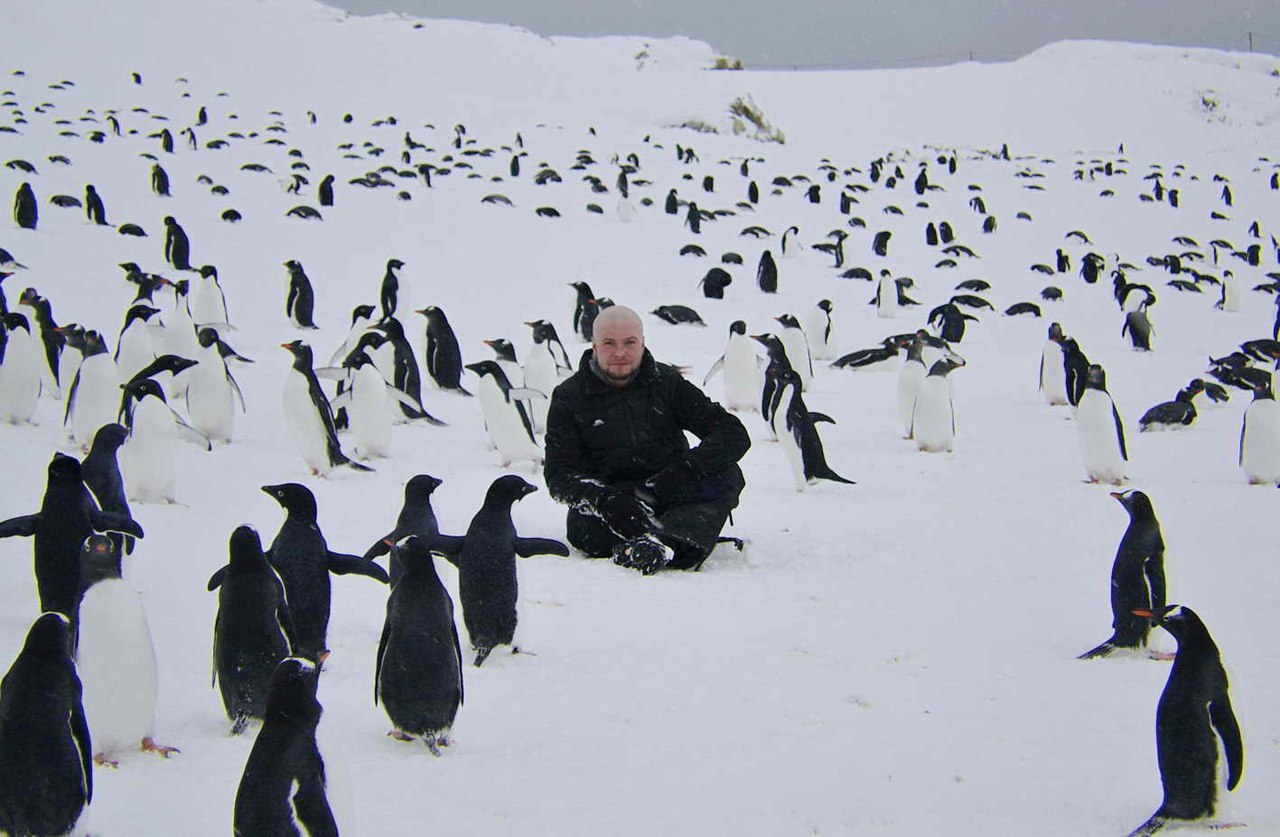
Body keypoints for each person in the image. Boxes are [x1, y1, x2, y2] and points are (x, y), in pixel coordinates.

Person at [543, 305, 750, 574]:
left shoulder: (665, 382)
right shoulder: (569, 397)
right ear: (593, 345)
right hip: (615, 506)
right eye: (609, 343)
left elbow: (732, 433)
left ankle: (658, 545)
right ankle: (677, 544)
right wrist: (603, 501)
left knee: (727, 474)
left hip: (672, 492)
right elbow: (558, 475)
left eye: (629, 342)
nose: (620, 353)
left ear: (642, 343)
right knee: (584, 529)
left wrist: (682, 471)